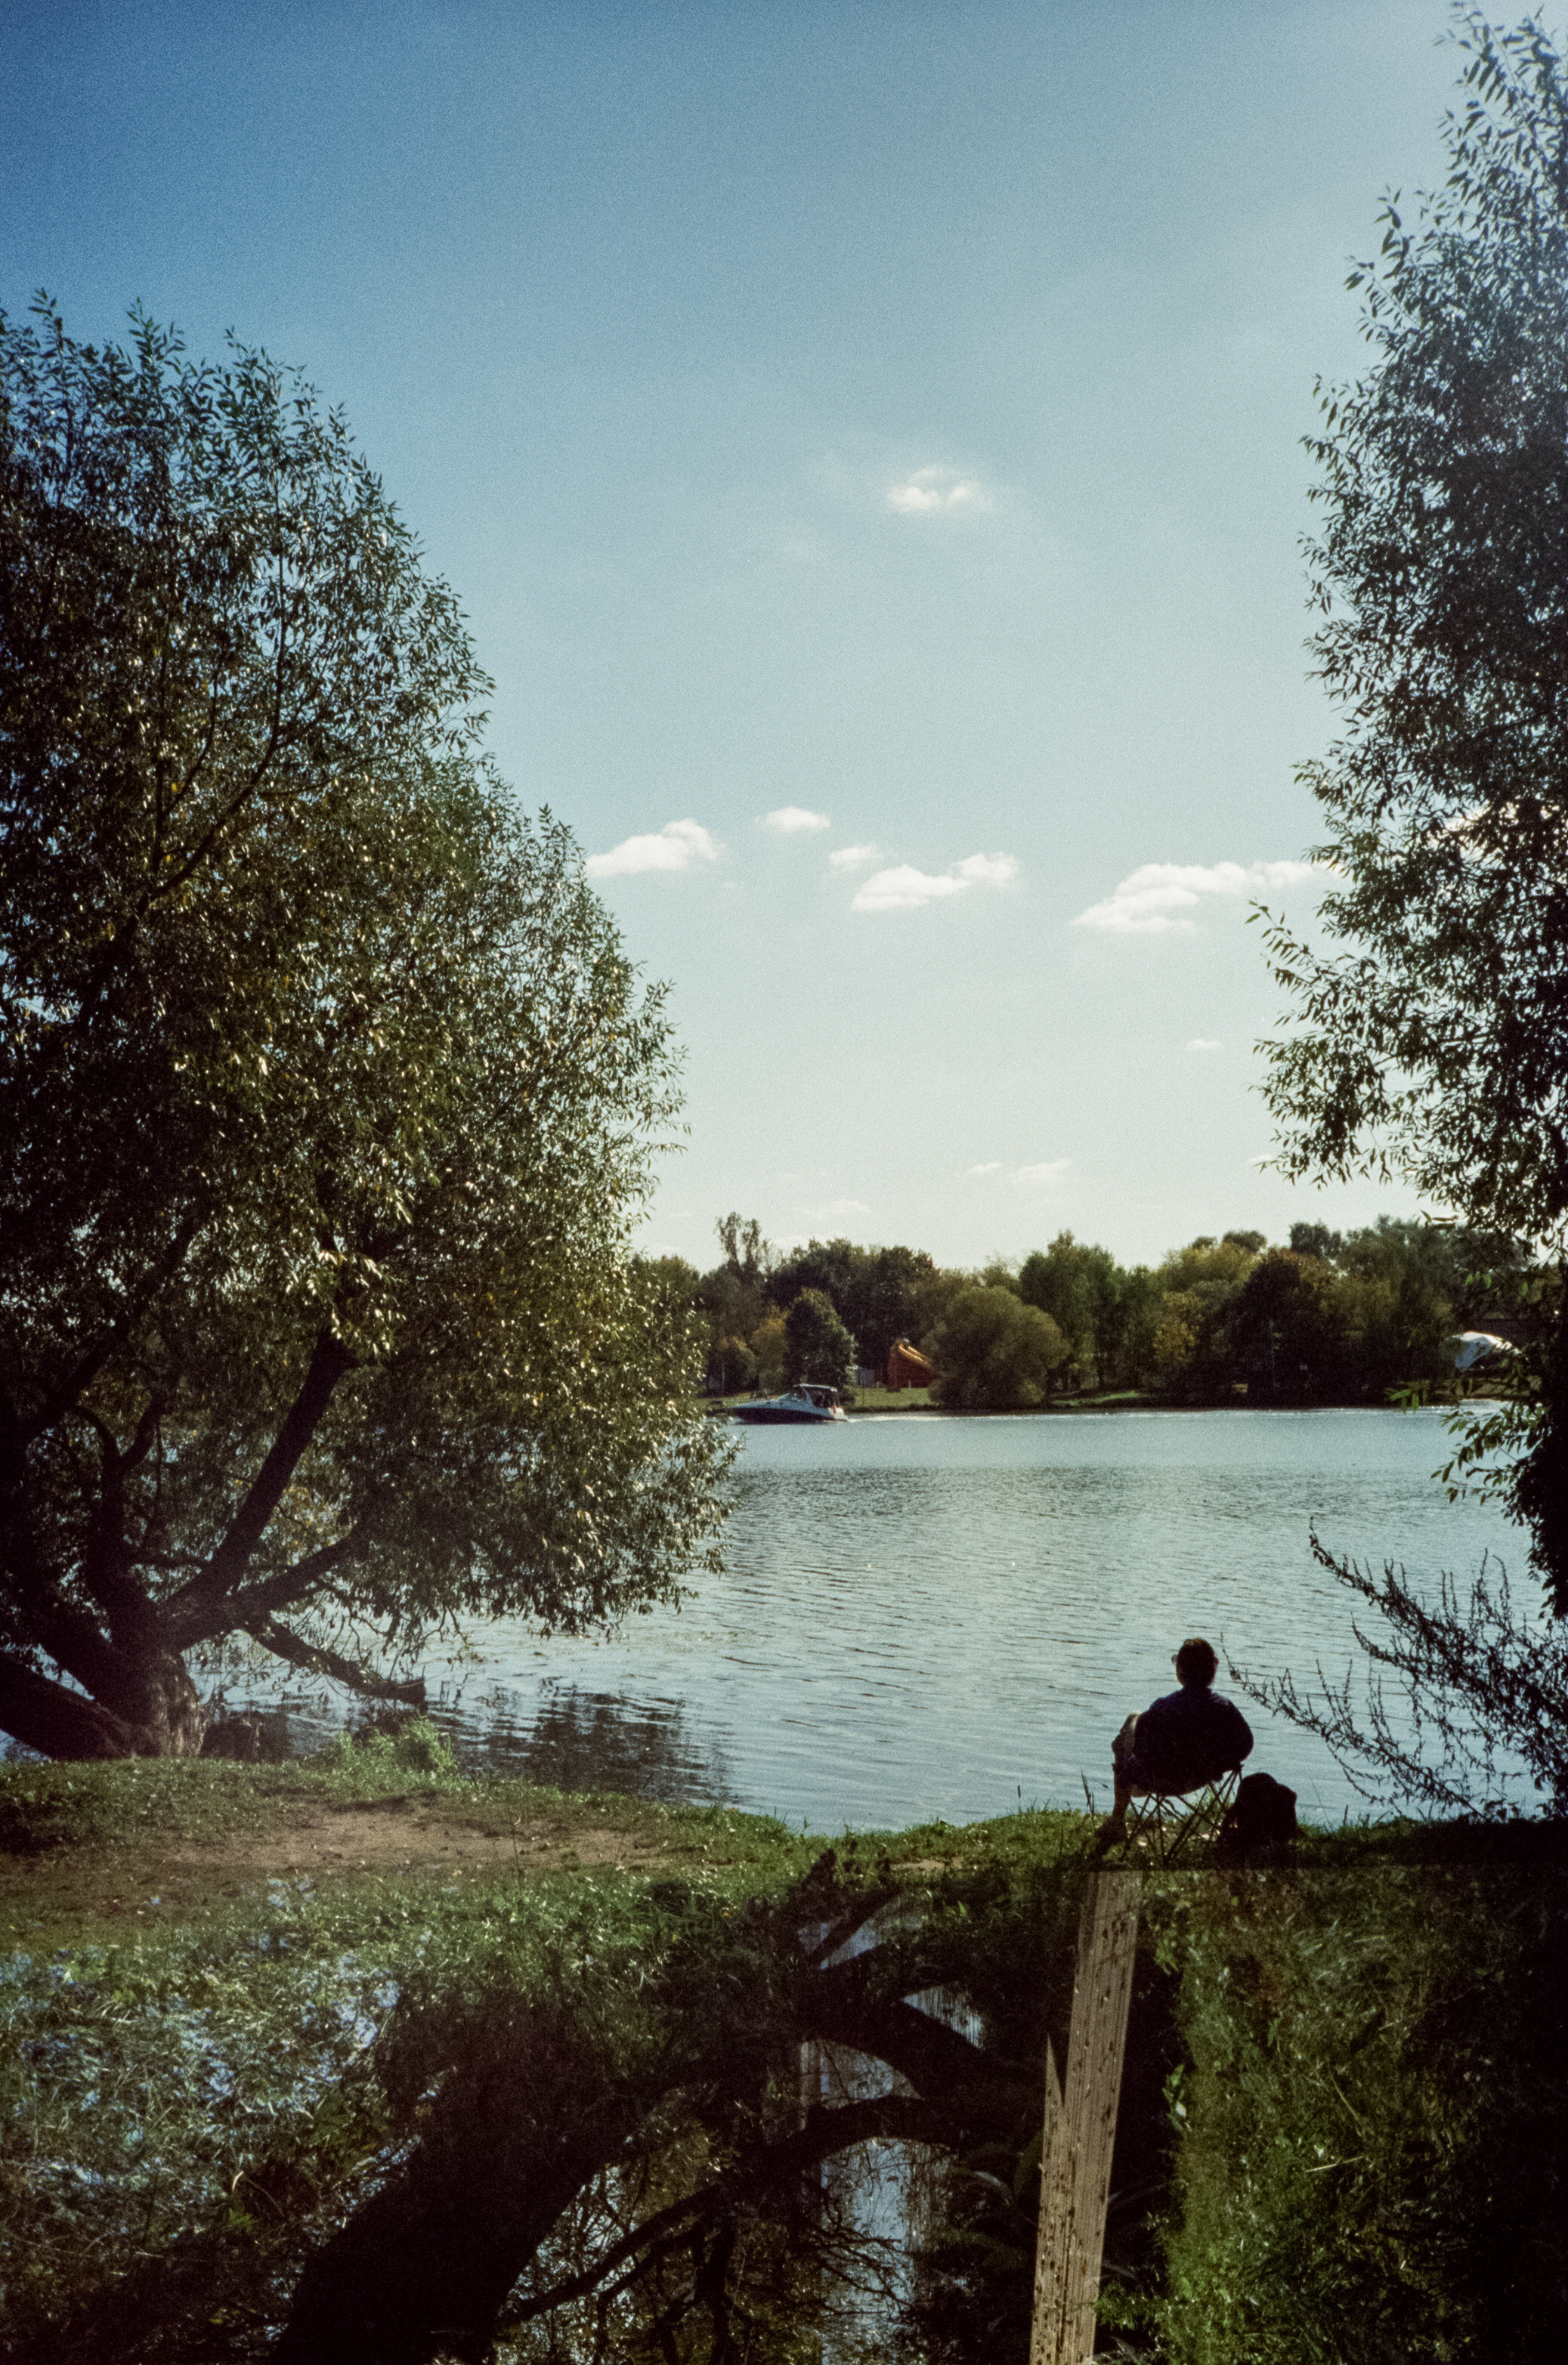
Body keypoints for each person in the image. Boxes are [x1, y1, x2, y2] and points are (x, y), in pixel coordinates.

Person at [1100, 1637, 1252, 1843]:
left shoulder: (1162, 1708)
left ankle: (1117, 1820)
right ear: (1212, 1671)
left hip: (1160, 1779)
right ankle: (1118, 1811)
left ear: (1181, 1671)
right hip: (1202, 1777)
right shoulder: (1224, 1708)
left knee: (1134, 1719)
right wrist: (1221, 1763)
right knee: (1131, 1736)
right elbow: (1246, 1744)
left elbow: (1141, 1750)